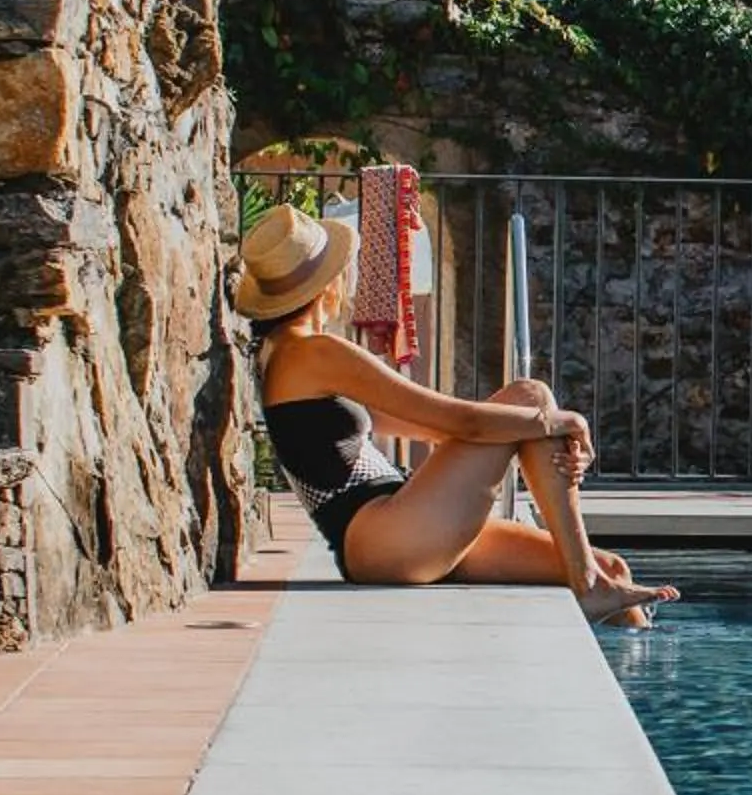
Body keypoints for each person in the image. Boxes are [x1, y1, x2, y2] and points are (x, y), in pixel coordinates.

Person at [236, 201, 677, 625]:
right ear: (329, 284)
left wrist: (542, 441)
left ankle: (623, 640)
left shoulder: (290, 357)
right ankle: (587, 583)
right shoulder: (315, 352)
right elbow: (463, 423)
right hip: (388, 536)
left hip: (407, 528)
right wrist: (562, 423)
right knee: (531, 394)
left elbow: (435, 430)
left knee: (614, 568)